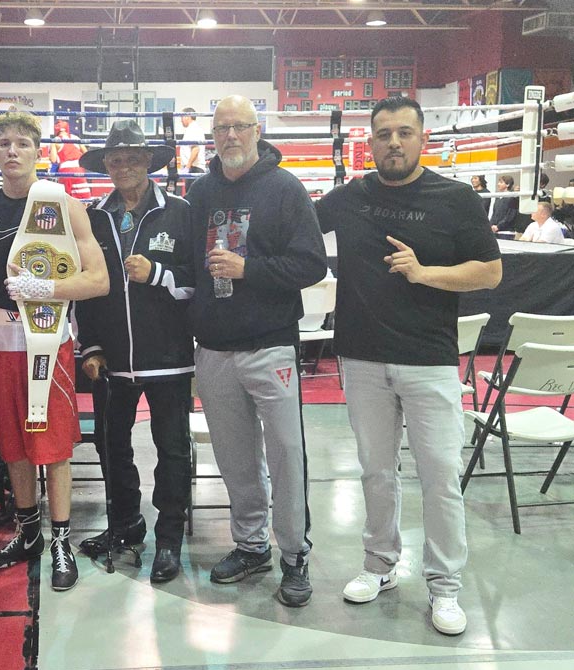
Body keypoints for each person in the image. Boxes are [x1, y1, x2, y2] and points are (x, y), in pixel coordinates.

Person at [316, 96, 502, 636]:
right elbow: (290, 223)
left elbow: (489, 273)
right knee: (376, 472)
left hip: (429, 359)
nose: (393, 142)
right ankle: (380, 565)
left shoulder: (455, 198)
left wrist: (426, 274)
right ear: (369, 142)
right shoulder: (349, 197)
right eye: (382, 134)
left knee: (440, 477)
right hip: (364, 355)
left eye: (403, 132)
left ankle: (444, 584)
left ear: (422, 139)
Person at [0, 111, 108, 591]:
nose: (12, 151)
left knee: (54, 442)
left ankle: (60, 538)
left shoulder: (62, 204)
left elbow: (98, 281)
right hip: (0, 340)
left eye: (22, 143)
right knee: (13, 443)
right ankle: (27, 532)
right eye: (3, 143)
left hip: (49, 339)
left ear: (39, 152)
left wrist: (45, 286)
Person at [184, 94, 326, 607]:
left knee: (286, 453)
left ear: (257, 129)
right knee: (235, 457)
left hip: (271, 347)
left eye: (240, 126)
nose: (230, 137)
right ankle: (250, 545)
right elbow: (187, 268)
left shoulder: (285, 189)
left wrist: (251, 271)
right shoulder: (199, 193)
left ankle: (294, 554)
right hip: (215, 349)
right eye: (221, 128)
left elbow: (312, 265)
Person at [75, 120, 193, 583]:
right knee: (111, 448)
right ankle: (126, 526)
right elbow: (86, 287)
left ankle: (169, 539)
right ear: (106, 164)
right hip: (112, 361)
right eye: (115, 159)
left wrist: (159, 273)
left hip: (170, 356)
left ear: (149, 162)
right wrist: (93, 345)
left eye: (133, 158)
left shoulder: (181, 212)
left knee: (172, 451)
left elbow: (199, 281)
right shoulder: (90, 216)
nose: (123, 166)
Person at [49, 120, 90, 200]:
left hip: (65, 171)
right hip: (79, 170)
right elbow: (86, 154)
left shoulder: (55, 141)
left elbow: (53, 160)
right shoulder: (76, 138)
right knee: (84, 199)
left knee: (66, 200)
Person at [179, 108, 207, 188]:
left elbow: (195, 149)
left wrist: (187, 167)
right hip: (193, 168)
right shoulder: (192, 129)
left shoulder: (193, 129)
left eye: (182, 117)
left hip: (194, 168)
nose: (181, 120)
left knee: (192, 197)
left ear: (187, 116)